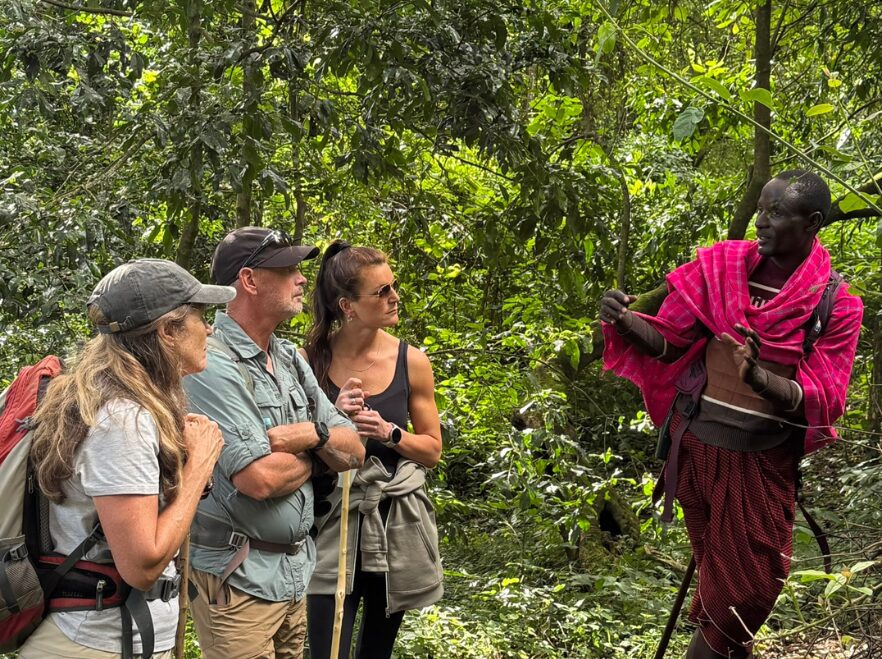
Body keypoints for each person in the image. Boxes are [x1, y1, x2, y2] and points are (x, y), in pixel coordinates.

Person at [600, 170, 863, 658]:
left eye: (776, 213)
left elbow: (825, 396)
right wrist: (626, 320)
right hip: (697, 451)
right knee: (725, 595)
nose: (760, 221)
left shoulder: (837, 303)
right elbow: (669, 341)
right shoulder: (722, 269)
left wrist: (761, 379)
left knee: (746, 595)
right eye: (760, 209)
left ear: (812, 222)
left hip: (761, 464)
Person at [22, 259, 232, 658]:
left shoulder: (120, 404)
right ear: (168, 331)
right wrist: (200, 464)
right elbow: (142, 565)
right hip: (94, 645)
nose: (208, 329)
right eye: (200, 317)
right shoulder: (121, 420)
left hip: (114, 640)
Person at [182, 227, 364, 659]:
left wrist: (312, 435)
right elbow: (258, 478)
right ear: (249, 280)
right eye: (287, 270)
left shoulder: (285, 357)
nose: (301, 280)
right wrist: (322, 457)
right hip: (238, 582)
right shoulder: (210, 364)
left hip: (292, 575)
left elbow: (354, 448)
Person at [303, 240, 444, 659]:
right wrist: (334, 417)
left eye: (393, 286)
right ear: (347, 306)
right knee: (327, 651)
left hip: (390, 527)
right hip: (330, 524)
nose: (394, 297)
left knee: (376, 651)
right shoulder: (310, 360)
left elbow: (432, 450)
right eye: (381, 291)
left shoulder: (411, 360)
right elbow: (292, 443)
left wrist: (389, 432)